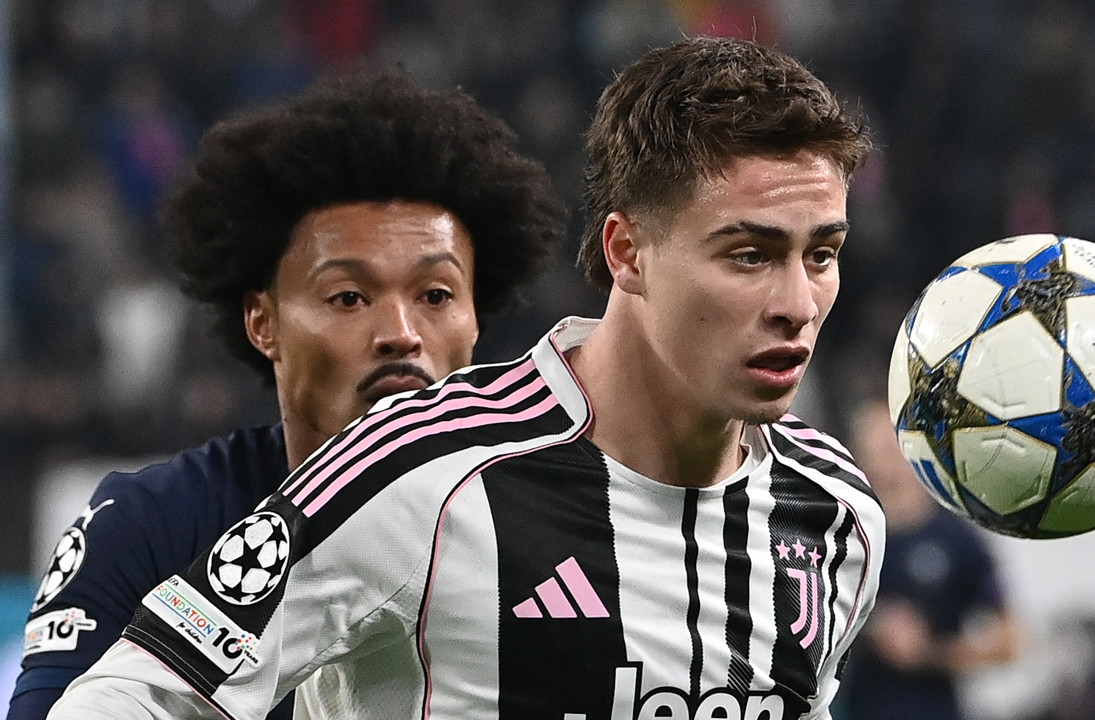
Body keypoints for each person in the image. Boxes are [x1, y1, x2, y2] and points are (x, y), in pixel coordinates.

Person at [47, 36, 885, 719]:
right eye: (749, 255)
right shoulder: (420, 470)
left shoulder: (837, 511)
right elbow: (132, 698)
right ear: (627, 252)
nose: (796, 303)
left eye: (821, 254)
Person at [12, 68, 566, 720]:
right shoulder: (147, 527)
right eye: (349, 297)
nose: (401, 333)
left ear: (476, 319)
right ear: (263, 322)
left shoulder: (555, 536)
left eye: (436, 295)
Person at [833, 401, 1019, 720]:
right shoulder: (842, 537)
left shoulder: (955, 539)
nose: (877, 463)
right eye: (868, 451)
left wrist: (928, 652)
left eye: (886, 450)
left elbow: (1010, 642)